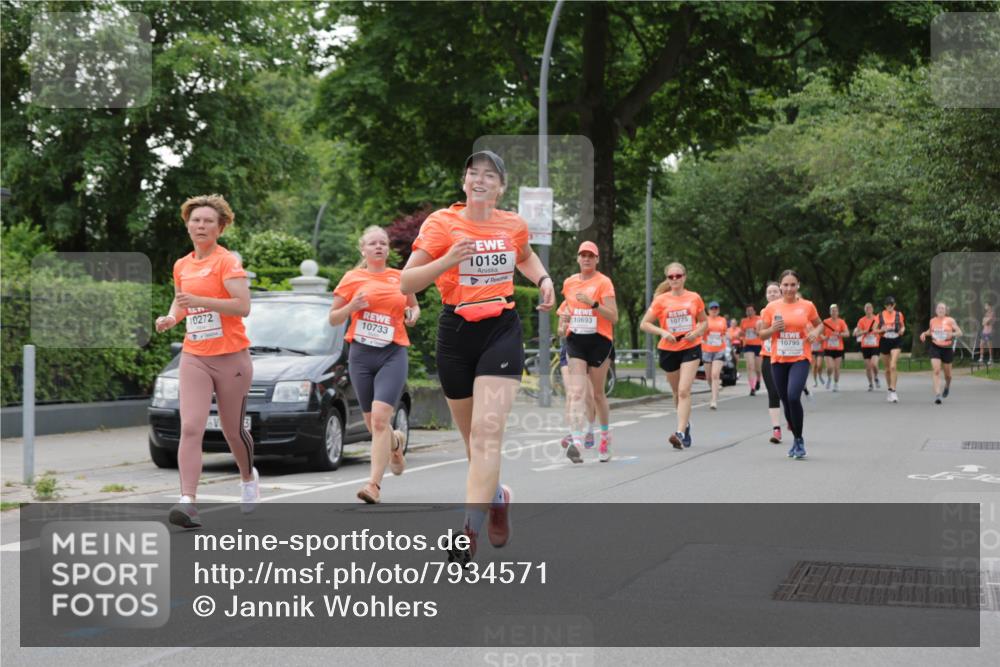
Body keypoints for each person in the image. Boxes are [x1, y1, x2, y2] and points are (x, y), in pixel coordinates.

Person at [401, 150, 554, 563]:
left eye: (491, 175)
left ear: (501, 187)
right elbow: (405, 281)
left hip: (501, 329)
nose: (481, 179)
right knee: (474, 445)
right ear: (464, 182)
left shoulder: (512, 225)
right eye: (474, 173)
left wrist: (542, 278)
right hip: (455, 332)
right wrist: (449, 259)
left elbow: (524, 255)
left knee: (487, 436)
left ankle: (467, 531)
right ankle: (498, 497)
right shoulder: (442, 224)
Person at [155, 194, 257, 529]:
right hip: (195, 355)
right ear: (187, 224)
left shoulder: (227, 263)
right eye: (195, 220)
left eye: (208, 221)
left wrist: (201, 300)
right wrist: (172, 317)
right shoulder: (182, 265)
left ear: (220, 227)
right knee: (190, 426)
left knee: (232, 431)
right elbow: (180, 301)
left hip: (231, 357)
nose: (200, 226)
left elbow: (242, 306)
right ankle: (188, 501)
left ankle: (246, 476)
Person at [329, 226, 420, 503]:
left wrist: (412, 314)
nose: (379, 247)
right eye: (373, 243)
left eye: (383, 243)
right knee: (373, 425)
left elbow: (414, 306)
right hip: (361, 355)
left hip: (392, 353)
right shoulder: (352, 278)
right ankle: (396, 443)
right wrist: (351, 307)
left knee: (380, 419)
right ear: (363, 249)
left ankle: (373, 486)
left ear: (387, 249)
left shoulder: (401, 277)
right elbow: (333, 318)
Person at [561, 241, 618, 463]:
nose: (586, 259)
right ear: (577, 258)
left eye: (590, 256)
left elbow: (614, 317)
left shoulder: (604, 282)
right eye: (582, 255)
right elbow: (568, 308)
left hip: (599, 341)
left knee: (596, 393)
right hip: (575, 340)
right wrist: (565, 318)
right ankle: (576, 441)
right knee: (576, 392)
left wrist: (593, 304)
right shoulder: (569, 283)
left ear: (596, 259)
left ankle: (605, 435)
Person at [640, 262, 707, 450]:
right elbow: (644, 324)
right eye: (671, 277)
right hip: (669, 349)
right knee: (677, 392)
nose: (675, 279)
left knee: (685, 390)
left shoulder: (694, 298)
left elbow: (704, 322)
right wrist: (662, 332)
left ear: (684, 277)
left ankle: (679, 432)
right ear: (667, 279)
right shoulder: (661, 300)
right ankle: (685, 424)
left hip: (690, 347)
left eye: (678, 276)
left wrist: (696, 333)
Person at [759, 270, 824, 459]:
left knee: (793, 396)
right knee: (786, 401)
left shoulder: (807, 306)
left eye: (792, 284)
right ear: (780, 286)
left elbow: (820, 324)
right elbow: (762, 335)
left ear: (798, 286)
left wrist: (815, 333)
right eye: (785, 285)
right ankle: (796, 438)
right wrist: (772, 329)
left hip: (800, 358)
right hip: (778, 360)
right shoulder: (771, 308)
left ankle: (799, 440)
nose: (789, 288)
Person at [558, 304, 597, 454]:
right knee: (572, 394)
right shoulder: (565, 305)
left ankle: (590, 429)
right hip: (569, 350)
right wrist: (564, 326)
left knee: (588, 396)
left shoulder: (592, 302)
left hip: (589, 350)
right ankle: (573, 435)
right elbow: (560, 331)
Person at [920, 302, 963, 404]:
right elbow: (931, 331)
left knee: (948, 375)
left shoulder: (950, 320)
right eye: (939, 308)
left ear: (945, 311)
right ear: (936, 310)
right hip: (935, 347)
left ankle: (947, 386)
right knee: (936, 370)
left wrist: (951, 334)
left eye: (942, 308)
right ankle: (937, 395)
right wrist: (924, 333)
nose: (940, 310)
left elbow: (960, 333)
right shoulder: (932, 321)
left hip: (947, 348)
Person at [758, 282, 784, 444]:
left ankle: (791, 418)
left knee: (787, 393)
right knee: (773, 393)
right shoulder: (764, 312)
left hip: (785, 356)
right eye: (769, 292)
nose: (772, 294)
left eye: (775, 291)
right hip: (768, 355)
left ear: (781, 294)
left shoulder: (788, 309)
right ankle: (776, 429)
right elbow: (761, 334)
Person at [877, 296, 906, 403]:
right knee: (887, 368)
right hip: (884, 341)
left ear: (894, 305)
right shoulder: (880, 315)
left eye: (892, 304)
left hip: (896, 340)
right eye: (888, 305)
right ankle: (889, 389)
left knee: (893, 365)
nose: (890, 306)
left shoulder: (899, 314)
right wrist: (882, 329)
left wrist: (902, 330)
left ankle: (893, 391)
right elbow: (875, 330)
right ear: (885, 306)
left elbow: (903, 327)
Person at [702, 301, 728, 410]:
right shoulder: (704, 320)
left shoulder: (722, 320)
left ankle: (713, 400)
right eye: (712, 309)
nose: (714, 310)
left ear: (718, 310)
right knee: (708, 377)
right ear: (708, 310)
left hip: (719, 350)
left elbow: (724, 334)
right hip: (707, 350)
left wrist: (725, 342)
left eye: (716, 308)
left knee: (715, 374)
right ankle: (714, 388)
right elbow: (700, 334)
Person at [854, 303, 882, 391]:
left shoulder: (877, 319)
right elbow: (856, 333)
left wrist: (876, 331)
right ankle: (870, 384)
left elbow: (882, 330)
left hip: (875, 345)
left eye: (870, 308)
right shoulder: (861, 320)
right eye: (867, 308)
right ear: (864, 310)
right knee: (868, 367)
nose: (868, 310)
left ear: (872, 309)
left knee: (874, 364)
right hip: (865, 345)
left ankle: (876, 377)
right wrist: (864, 332)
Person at [821, 304, 849, 391]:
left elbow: (847, 334)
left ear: (838, 312)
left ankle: (836, 383)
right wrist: (824, 337)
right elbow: (820, 333)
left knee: (836, 368)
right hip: (828, 348)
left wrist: (839, 334)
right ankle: (829, 377)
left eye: (835, 310)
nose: (834, 312)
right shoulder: (825, 322)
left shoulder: (841, 322)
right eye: (832, 310)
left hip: (838, 348)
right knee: (830, 367)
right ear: (830, 312)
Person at [740, 305, 763, 395]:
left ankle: (758, 380)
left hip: (758, 345)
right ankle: (752, 388)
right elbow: (741, 333)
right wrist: (741, 334)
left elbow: (762, 332)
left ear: (754, 311)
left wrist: (756, 331)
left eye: (751, 310)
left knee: (758, 368)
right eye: (747, 311)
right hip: (748, 345)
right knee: (750, 366)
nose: (749, 312)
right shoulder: (743, 321)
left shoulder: (759, 319)